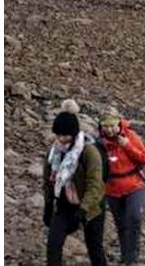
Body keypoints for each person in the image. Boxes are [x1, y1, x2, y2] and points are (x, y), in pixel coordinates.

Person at [44, 100, 107, 266]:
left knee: (95, 248)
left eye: (64, 135)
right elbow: (48, 180)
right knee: (53, 243)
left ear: (73, 134)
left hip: (92, 208)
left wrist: (82, 211)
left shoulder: (89, 152)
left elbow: (95, 185)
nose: (60, 139)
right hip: (65, 205)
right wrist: (48, 204)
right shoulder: (54, 152)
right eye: (57, 135)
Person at [99, 111, 145, 266]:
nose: (109, 130)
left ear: (118, 124)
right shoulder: (99, 142)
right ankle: (125, 255)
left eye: (112, 126)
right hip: (112, 188)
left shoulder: (130, 136)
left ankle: (132, 259)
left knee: (134, 218)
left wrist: (127, 145)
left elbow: (144, 157)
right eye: (105, 126)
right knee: (121, 224)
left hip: (134, 185)